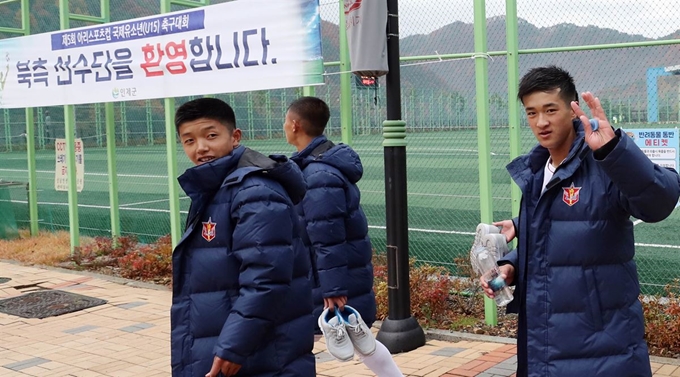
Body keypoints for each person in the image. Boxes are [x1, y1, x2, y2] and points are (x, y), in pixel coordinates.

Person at [481, 65, 680, 377]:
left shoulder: (606, 162)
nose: (541, 122)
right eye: (531, 113)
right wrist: (512, 266)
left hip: (603, 348)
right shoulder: (536, 172)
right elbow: (558, 237)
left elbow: (660, 202)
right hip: (544, 345)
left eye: (550, 110)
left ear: (573, 110)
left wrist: (615, 150)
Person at [170, 98, 315, 377]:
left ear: (235, 136)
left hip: (253, 350)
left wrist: (234, 346)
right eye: (189, 141)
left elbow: (265, 279)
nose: (200, 148)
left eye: (211, 136)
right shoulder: (218, 186)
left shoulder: (254, 192)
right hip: (232, 339)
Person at [284, 96, 404, 377]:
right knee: (363, 344)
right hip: (326, 276)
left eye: (285, 121)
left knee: (293, 343)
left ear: (295, 124)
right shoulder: (317, 166)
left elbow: (328, 236)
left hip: (326, 280)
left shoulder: (317, 174)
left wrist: (333, 289)